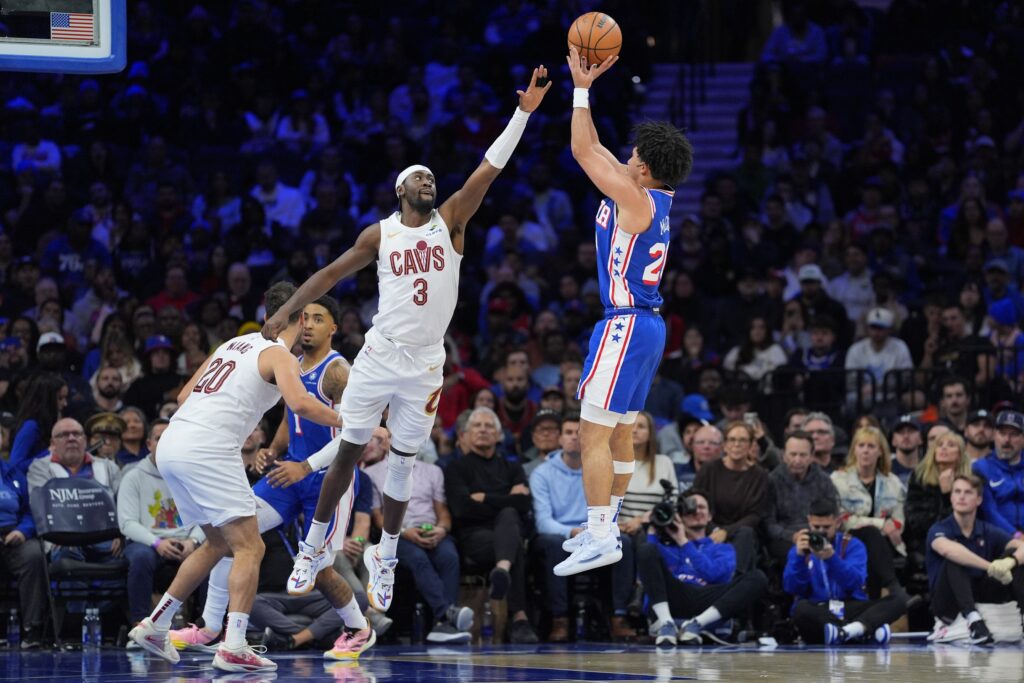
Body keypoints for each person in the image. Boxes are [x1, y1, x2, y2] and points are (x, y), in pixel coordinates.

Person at [260, 66, 552, 611]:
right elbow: (329, 276)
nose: (429, 181)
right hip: (379, 353)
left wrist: (524, 113)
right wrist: (288, 313)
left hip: (424, 364)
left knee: (403, 461)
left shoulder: (452, 221)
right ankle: (312, 544)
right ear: (400, 189)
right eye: (418, 177)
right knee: (349, 449)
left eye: (431, 178)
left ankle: (386, 556)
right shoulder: (381, 233)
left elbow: (489, 169)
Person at [127, 282, 343, 673]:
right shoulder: (281, 354)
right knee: (250, 548)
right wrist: (349, 420)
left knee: (215, 543)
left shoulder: (230, 344)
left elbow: (182, 397)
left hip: (174, 442)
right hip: (208, 448)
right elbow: (299, 404)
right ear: (297, 315)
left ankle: (155, 623)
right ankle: (235, 645)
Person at [169, 297, 376, 662]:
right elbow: (288, 420)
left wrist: (306, 466)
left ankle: (359, 628)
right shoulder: (288, 362)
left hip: (328, 478)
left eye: (318, 319)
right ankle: (210, 627)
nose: (308, 324)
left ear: (334, 328)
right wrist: (274, 450)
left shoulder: (339, 372)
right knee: (229, 534)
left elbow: (351, 437)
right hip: (289, 473)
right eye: (305, 317)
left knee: (319, 567)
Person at [557, 46, 694, 578]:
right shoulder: (650, 194)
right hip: (646, 327)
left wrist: (580, 87)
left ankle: (596, 532)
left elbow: (580, 152)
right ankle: (607, 525)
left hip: (626, 321)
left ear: (645, 167)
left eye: (635, 153)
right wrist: (587, 86)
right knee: (617, 432)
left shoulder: (634, 198)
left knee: (591, 431)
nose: (627, 155)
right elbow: (592, 146)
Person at [530, 410, 635, 642]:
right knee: (553, 543)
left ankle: (619, 616)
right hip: (563, 534)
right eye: (568, 432)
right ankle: (560, 618)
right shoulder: (542, 473)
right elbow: (543, 521)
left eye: (578, 432)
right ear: (559, 438)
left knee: (624, 542)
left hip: (593, 529)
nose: (575, 437)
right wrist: (572, 531)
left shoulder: (601, 466)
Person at [363, 426, 474, 644]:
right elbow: (378, 518)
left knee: (449, 557)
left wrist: (441, 529)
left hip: (431, 529)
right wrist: (404, 532)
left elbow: (442, 512)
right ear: (387, 442)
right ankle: (446, 617)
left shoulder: (433, 471)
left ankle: (442, 624)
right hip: (396, 534)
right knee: (418, 558)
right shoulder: (372, 474)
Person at [444, 407, 538, 643]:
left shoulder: (512, 467)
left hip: (503, 534)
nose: (483, 430)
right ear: (465, 434)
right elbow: (462, 509)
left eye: (489, 426)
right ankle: (519, 619)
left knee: (510, 522)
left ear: (499, 435)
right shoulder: (457, 468)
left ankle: (502, 570)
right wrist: (507, 497)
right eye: (477, 426)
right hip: (474, 539)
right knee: (511, 531)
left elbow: (524, 504)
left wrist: (484, 497)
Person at [639, 490, 768, 646]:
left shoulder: (721, 548)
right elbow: (648, 575)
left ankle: (696, 624)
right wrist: (652, 530)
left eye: (701, 507)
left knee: (758, 577)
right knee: (646, 550)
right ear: (680, 515)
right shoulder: (666, 547)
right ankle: (667, 623)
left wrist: (683, 542)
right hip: (674, 595)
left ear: (710, 516)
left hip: (707, 597)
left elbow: (713, 574)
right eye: (690, 508)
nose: (696, 511)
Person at [116, 418, 206, 626]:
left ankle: (204, 628)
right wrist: (157, 543)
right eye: (159, 438)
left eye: (170, 437)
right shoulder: (133, 476)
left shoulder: (192, 475)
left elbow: (207, 517)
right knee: (140, 557)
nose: (165, 442)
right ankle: (140, 624)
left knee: (211, 556)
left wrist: (193, 541)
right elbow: (127, 523)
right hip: (148, 543)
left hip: (186, 541)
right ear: (148, 444)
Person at [784, 497, 908, 645]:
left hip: (849, 606)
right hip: (821, 609)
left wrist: (832, 559)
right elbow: (792, 588)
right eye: (816, 527)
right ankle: (861, 630)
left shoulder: (852, 544)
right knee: (800, 609)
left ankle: (847, 632)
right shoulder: (801, 548)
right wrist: (798, 558)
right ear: (809, 521)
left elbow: (856, 583)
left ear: (837, 522)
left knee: (899, 600)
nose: (821, 532)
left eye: (826, 527)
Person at [926, 474, 1024, 645]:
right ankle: (974, 621)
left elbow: (1019, 545)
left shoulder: (986, 529)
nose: (961, 496)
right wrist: (991, 567)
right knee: (955, 558)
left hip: (981, 592)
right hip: (947, 600)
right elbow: (948, 549)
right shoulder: (939, 528)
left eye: (968, 492)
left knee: (1015, 555)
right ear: (951, 497)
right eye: (957, 491)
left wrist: (1010, 562)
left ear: (979, 500)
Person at [830, 427, 907, 598]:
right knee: (870, 534)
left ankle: (871, 604)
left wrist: (887, 526)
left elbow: (898, 524)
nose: (865, 450)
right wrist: (881, 524)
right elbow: (841, 520)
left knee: (872, 543)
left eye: (871, 446)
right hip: (847, 541)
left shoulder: (893, 483)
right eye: (861, 445)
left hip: (886, 544)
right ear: (854, 450)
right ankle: (893, 588)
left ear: (880, 452)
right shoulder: (838, 480)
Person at [692, 421, 769, 573]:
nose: (737, 444)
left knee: (746, 534)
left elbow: (755, 515)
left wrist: (726, 532)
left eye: (742, 440)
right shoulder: (709, 470)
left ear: (751, 445)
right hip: (709, 529)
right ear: (725, 445)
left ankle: (735, 581)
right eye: (732, 440)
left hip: (742, 533)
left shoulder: (760, 475)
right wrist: (714, 530)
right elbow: (697, 502)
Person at [766, 431, 839, 564]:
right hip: (785, 538)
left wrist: (817, 534)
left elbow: (834, 514)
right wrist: (793, 536)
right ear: (784, 456)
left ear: (811, 456)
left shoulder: (823, 480)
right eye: (793, 454)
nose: (797, 460)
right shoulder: (772, 481)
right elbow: (769, 524)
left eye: (803, 455)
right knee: (797, 553)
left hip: (819, 533)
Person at [0, 450, 47, 649]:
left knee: (34, 555)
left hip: (14, 533)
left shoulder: (13, 473)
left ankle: (32, 629)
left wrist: (23, 531)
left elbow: (30, 510)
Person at [905, 431, 972, 561]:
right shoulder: (919, 479)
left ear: (960, 455)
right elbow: (919, 526)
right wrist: (944, 495)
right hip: (925, 545)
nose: (944, 448)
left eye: (951, 445)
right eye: (940, 445)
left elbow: (964, 526)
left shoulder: (971, 481)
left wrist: (948, 495)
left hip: (961, 544)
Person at [972, 410, 1024, 535]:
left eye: (1014, 434)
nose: (1007, 440)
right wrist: (1015, 535)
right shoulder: (981, 468)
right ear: (994, 435)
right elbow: (988, 511)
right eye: (1002, 433)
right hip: (997, 538)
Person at [888, 414, 923, 484]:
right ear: (893, 440)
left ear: (921, 438)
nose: (906, 436)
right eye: (901, 432)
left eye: (911, 431)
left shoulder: (928, 467)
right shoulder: (885, 467)